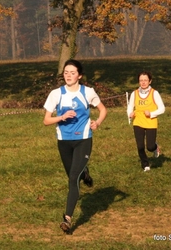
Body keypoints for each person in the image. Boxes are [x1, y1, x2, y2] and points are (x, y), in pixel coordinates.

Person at [43, 59, 107, 234]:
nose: (68, 75)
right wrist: (61, 117)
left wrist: (98, 123)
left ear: (79, 75)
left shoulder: (88, 92)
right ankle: (84, 172)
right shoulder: (56, 94)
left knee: (72, 179)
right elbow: (46, 120)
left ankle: (67, 219)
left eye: (72, 72)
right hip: (64, 141)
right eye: (66, 72)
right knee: (74, 175)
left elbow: (103, 110)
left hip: (83, 139)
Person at [127, 72, 165, 172]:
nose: (143, 82)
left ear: (150, 81)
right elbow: (130, 106)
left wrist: (151, 113)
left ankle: (155, 147)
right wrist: (130, 113)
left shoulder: (154, 93)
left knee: (150, 146)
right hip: (138, 121)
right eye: (141, 80)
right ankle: (145, 165)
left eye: (145, 80)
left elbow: (162, 108)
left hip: (151, 121)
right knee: (140, 146)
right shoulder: (134, 93)